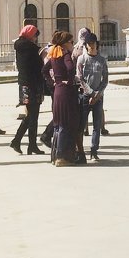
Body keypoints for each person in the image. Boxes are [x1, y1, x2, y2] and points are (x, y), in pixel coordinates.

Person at [43, 30, 84, 166]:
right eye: (71, 42)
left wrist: (53, 81)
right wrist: (70, 80)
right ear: (66, 43)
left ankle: (55, 157)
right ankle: (63, 157)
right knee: (67, 123)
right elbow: (71, 67)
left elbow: (44, 71)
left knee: (58, 123)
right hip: (66, 91)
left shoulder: (54, 54)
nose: (72, 44)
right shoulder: (65, 53)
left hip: (57, 90)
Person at [10, 24, 46, 156]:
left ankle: (21, 142)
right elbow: (38, 65)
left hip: (25, 84)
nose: (36, 38)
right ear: (31, 35)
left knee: (31, 116)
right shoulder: (31, 49)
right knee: (33, 116)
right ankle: (28, 144)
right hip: (33, 84)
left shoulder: (20, 47)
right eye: (35, 35)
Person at [77, 32, 108, 161]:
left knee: (97, 125)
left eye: (93, 43)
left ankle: (94, 150)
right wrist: (90, 93)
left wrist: (97, 94)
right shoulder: (82, 59)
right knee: (82, 124)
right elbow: (80, 78)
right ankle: (80, 150)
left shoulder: (102, 60)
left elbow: (105, 79)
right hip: (85, 96)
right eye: (89, 44)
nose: (91, 46)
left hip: (98, 97)